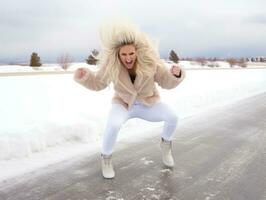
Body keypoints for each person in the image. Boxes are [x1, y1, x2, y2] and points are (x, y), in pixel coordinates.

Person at [74, 22, 185, 179]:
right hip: (123, 105)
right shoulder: (112, 65)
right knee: (113, 125)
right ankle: (106, 159)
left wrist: (176, 74)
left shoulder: (150, 62)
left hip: (148, 103)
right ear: (118, 55)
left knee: (172, 117)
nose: (128, 58)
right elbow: (98, 83)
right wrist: (85, 77)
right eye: (123, 55)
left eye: (131, 54)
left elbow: (166, 82)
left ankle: (166, 145)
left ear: (137, 51)